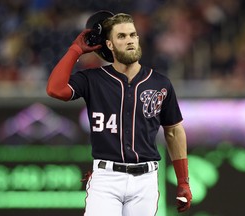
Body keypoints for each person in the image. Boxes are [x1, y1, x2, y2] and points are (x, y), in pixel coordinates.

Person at [46, 12, 192, 215]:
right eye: (121, 36)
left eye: (133, 35)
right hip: (106, 178)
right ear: (109, 45)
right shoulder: (93, 79)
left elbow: (174, 131)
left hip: (145, 179)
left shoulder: (160, 83)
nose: (130, 40)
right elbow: (55, 89)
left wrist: (183, 180)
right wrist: (76, 50)